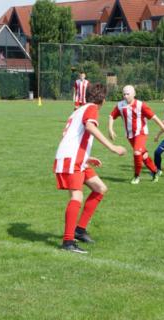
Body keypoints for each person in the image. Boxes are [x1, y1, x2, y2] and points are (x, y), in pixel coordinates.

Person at [54, 83, 127, 254]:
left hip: (76, 158)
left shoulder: (79, 109)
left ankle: (79, 230)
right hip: (71, 159)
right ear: (103, 99)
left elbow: (73, 136)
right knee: (76, 196)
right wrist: (112, 147)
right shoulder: (93, 108)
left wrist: (86, 157)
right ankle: (68, 241)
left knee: (100, 188)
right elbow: (89, 127)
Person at [108, 85, 164, 184]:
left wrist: (163, 128)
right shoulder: (120, 105)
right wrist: (110, 129)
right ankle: (155, 171)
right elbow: (111, 116)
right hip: (130, 135)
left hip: (141, 133)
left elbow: (154, 117)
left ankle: (136, 176)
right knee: (143, 155)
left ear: (134, 94)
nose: (125, 96)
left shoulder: (141, 105)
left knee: (137, 152)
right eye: (124, 94)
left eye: (128, 94)